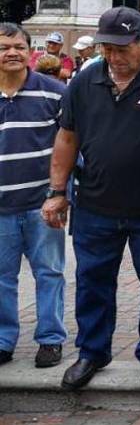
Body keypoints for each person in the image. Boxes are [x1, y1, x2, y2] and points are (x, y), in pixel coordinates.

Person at [42, 7, 140, 392]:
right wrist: (57, 191)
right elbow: (67, 137)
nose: (114, 56)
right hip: (95, 205)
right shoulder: (85, 81)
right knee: (92, 281)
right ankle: (92, 352)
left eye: (122, 48)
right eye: (107, 48)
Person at [0, 23, 67, 369]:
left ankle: (51, 339)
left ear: (30, 51)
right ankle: (3, 340)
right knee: (1, 278)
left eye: (19, 47)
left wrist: (61, 193)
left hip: (43, 204)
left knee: (49, 272)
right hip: (1, 208)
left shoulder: (55, 93)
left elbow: (71, 146)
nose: (12, 53)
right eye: (4, 47)